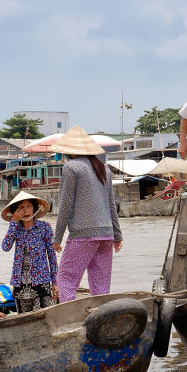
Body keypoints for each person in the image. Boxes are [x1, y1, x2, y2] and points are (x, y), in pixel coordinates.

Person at [52, 126, 123, 302]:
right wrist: (117, 235)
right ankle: (102, 315)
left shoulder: (71, 167)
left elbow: (65, 205)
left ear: (71, 150)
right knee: (101, 284)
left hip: (84, 234)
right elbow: (111, 204)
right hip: (106, 234)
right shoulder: (104, 168)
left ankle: (70, 316)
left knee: (66, 279)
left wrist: (57, 237)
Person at [0, 191, 59, 312]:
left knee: (43, 315)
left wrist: (55, 283)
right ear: (16, 211)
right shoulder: (15, 228)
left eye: (29, 206)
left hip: (41, 281)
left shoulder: (44, 227)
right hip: (20, 283)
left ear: (34, 208)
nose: (26, 211)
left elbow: (52, 257)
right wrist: (14, 222)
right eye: (21, 207)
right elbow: (5, 247)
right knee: (23, 318)